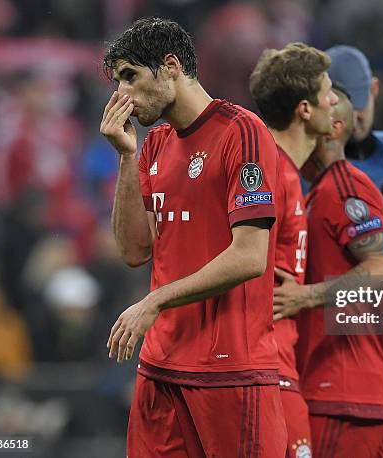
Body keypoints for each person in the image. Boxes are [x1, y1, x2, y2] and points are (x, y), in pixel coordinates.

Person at [100, 17, 286, 457]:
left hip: (229, 371)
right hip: (160, 369)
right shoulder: (154, 145)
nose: (119, 95)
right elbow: (132, 250)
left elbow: (249, 257)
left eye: (130, 76)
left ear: (170, 66)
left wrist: (156, 300)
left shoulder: (242, 132)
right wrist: (126, 159)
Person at [273, 86, 383, 457]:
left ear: (332, 128)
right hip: (352, 394)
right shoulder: (318, 192)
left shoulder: (344, 188)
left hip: (344, 391)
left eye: (304, 117)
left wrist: (306, 296)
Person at [249, 42, 338, 458]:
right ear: (305, 108)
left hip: (280, 364)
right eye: (328, 91)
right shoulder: (270, 173)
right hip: (266, 367)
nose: (335, 100)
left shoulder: (287, 173)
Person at [325, 45, 383, 191]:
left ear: (374, 89)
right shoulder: (310, 171)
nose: (354, 118)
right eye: (341, 108)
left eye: (359, 104)